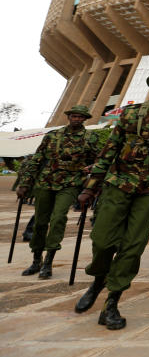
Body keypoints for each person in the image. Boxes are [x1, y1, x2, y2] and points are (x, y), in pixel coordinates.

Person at [74, 71, 149, 330]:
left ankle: (112, 301)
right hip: (118, 183)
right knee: (103, 240)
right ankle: (98, 281)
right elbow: (110, 150)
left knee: (133, 245)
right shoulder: (131, 113)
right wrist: (90, 187)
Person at [16, 105, 99, 280]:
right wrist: (24, 183)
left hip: (70, 183)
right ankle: (36, 259)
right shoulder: (53, 135)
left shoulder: (90, 138)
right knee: (40, 222)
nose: (76, 119)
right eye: (74, 116)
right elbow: (37, 159)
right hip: (46, 182)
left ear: (85, 119)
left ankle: (48, 261)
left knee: (58, 218)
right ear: (69, 117)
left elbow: (101, 159)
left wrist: (91, 169)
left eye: (80, 117)